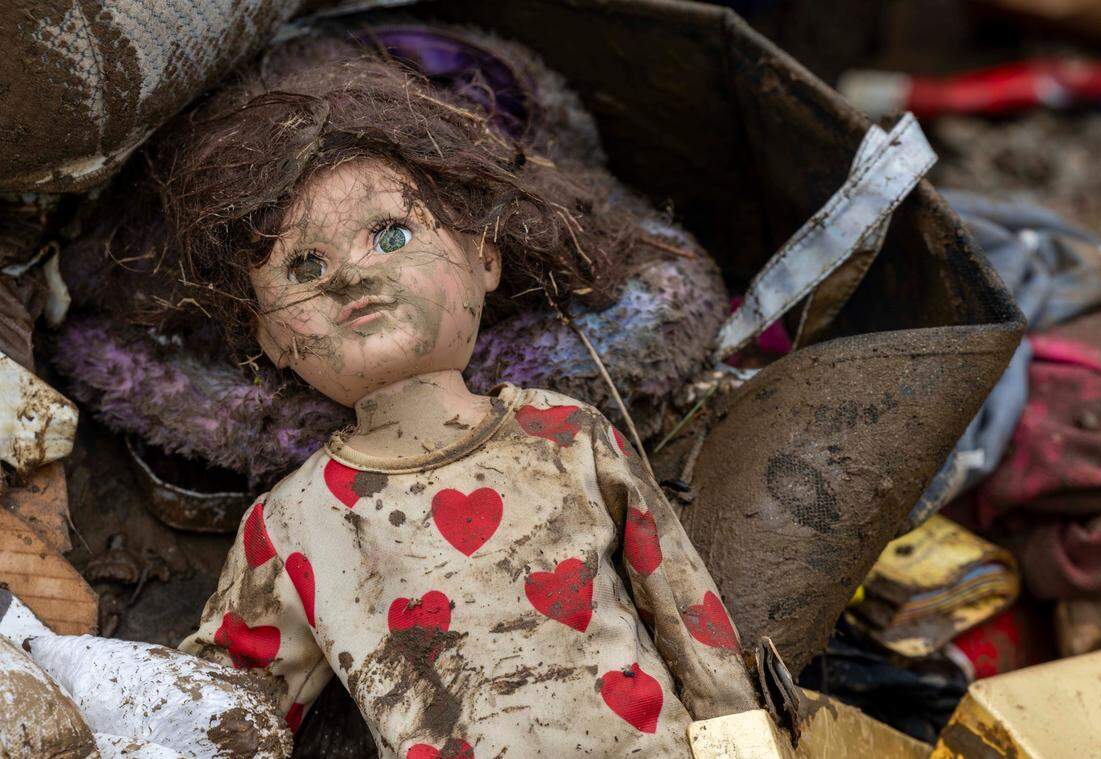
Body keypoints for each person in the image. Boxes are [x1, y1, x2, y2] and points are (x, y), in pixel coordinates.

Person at [167, 35, 759, 756]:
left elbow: (681, 603)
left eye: (389, 234)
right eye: (304, 264)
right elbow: (223, 707)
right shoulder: (293, 522)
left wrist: (743, 743)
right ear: (270, 338)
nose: (349, 277)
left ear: (485, 256)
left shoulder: (563, 433)